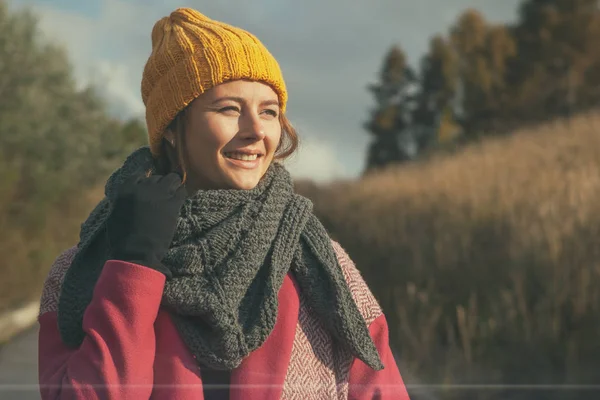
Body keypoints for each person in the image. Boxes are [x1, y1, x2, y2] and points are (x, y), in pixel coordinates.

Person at [37, 7, 411, 400]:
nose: (255, 132)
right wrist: (134, 265)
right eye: (229, 109)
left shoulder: (320, 264)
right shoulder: (83, 271)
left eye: (269, 111)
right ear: (172, 129)